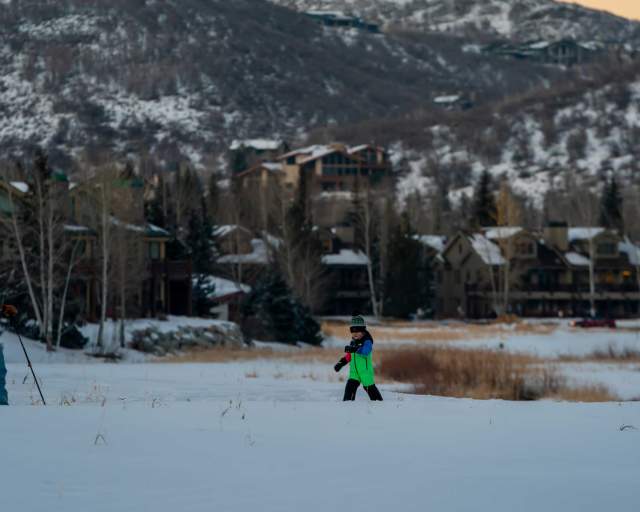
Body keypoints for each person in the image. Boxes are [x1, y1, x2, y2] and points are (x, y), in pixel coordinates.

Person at [333, 315, 383, 401]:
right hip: (354, 373)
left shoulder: (367, 341)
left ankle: (380, 404)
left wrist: (355, 349)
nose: (355, 333)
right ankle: (347, 407)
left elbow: (366, 351)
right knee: (349, 389)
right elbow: (350, 356)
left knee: (371, 390)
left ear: (363, 331)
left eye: (358, 330)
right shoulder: (353, 342)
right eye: (352, 330)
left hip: (365, 372)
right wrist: (341, 363)